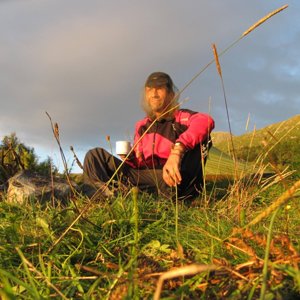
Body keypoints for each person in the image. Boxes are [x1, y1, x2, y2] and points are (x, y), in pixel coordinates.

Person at [83, 72, 215, 200]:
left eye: (159, 88)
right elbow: (138, 167)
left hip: (174, 179)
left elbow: (206, 121)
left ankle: (125, 192)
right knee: (95, 155)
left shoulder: (182, 118)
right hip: (146, 178)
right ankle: (98, 195)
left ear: (171, 94)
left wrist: (177, 152)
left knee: (204, 138)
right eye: (149, 89)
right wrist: (130, 158)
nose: (154, 93)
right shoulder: (142, 126)